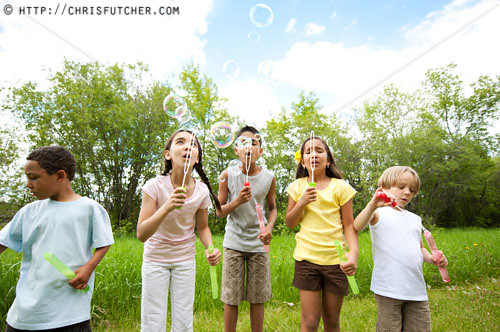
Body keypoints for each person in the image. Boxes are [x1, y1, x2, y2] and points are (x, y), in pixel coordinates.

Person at [0, 146, 114, 332]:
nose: (28, 184)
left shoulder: (89, 208)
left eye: (34, 177)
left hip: (70, 314)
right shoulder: (28, 212)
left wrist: (89, 267)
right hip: (24, 315)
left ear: (60, 176)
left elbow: (104, 241)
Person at [137, 129, 221, 332]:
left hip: (185, 260)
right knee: (153, 320)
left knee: (183, 321)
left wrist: (210, 247)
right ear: (168, 154)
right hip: (155, 260)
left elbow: (202, 227)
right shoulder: (154, 186)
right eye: (180, 142)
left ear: (197, 157)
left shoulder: (201, 191)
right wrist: (166, 207)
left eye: (193, 145)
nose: (187, 147)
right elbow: (141, 234)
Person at [353, 166, 448, 332]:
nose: (406, 193)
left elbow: (419, 248)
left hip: (416, 288)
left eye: (412, 190)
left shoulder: (415, 219)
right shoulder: (378, 213)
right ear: (385, 188)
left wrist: (432, 259)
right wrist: (372, 204)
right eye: (401, 187)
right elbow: (358, 225)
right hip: (389, 287)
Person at [285, 135, 358, 332]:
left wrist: (353, 255)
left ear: (328, 159)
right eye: (308, 151)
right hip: (307, 259)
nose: (314, 154)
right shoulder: (297, 187)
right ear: (303, 161)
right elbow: (290, 223)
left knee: (332, 321)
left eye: (319, 150)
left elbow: (349, 226)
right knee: (309, 322)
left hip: (336, 261)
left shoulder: (340, 187)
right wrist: (302, 202)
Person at [216, 126, 277, 332]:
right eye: (243, 143)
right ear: (236, 150)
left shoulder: (269, 177)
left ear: (260, 151)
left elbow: (273, 208)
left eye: (254, 143)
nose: (248, 147)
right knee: (231, 297)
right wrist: (237, 201)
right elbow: (219, 211)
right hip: (234, 242)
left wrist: (269, 227)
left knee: (257, 297)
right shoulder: (227, 175)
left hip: (258, 244)